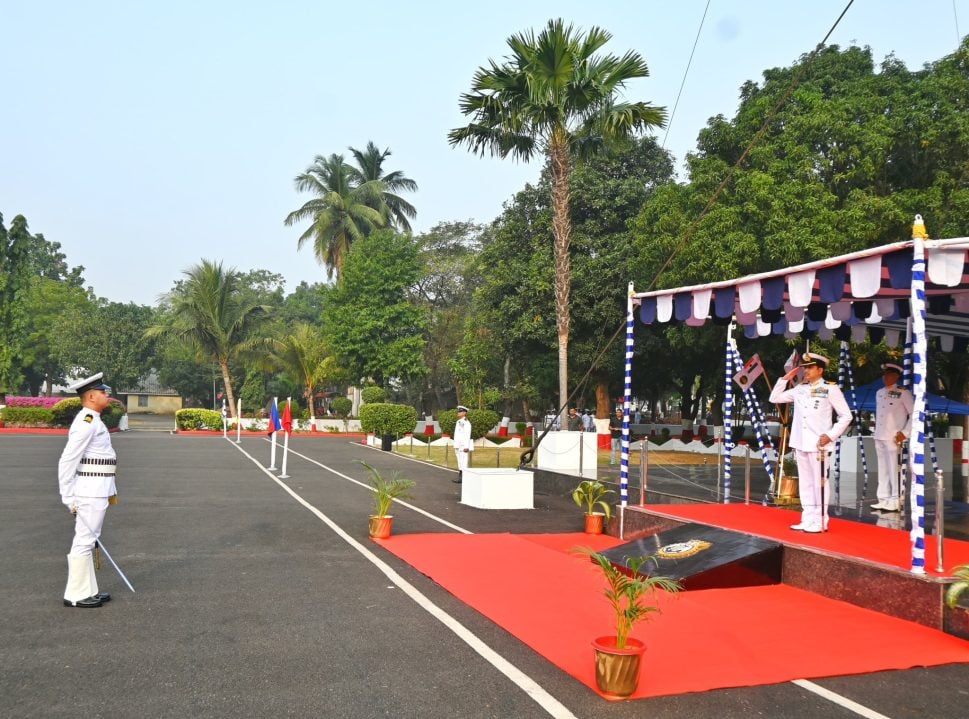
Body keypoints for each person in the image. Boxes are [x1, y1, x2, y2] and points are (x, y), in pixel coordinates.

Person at [769, 353, 852, 533]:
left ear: (820, 370)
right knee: (805, 483)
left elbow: (846, 415)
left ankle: (821, 520)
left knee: (819, 483)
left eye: (810, 367)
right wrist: (784, 379)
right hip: (800, 441)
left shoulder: (830, 389)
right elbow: (774, 398)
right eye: (805, 367)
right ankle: (807, 518)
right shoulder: (801, 388)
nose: (806, 370)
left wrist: (831, 435)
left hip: (819, 444)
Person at [59, 372, 117, 608]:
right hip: (89, 491)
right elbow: (67, 460)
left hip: (98, 488)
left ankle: (88, 589)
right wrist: (68, 496)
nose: (107, 395)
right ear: (92, 396)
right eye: (103, 392)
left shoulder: (93, 419)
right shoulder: (86, 423)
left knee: (89, 539)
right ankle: (76, 594)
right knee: (84, 540)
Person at [872, 363, 913, 512]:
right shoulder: (879, 392)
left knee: (894, 468)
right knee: (882, 469)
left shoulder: (903, 392)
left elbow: (914, 414)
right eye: (885, 375)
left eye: (889, 375)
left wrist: (905, 432)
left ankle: (895, 499)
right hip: (880, 435)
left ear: (896, 376)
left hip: (894, 436)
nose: (886, 377)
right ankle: (883, 498)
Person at [452, 405, 472, 483]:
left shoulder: (466, 423)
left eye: (460, 411)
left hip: (463, 446)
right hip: (457, 445)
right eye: (458, 411)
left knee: (463, 462)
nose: (458, 413)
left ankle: (464, 478)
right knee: (459, 461)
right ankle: (460, 478)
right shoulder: (458, 421)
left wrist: (466, 446)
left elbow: (467, 435)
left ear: (464, 413)